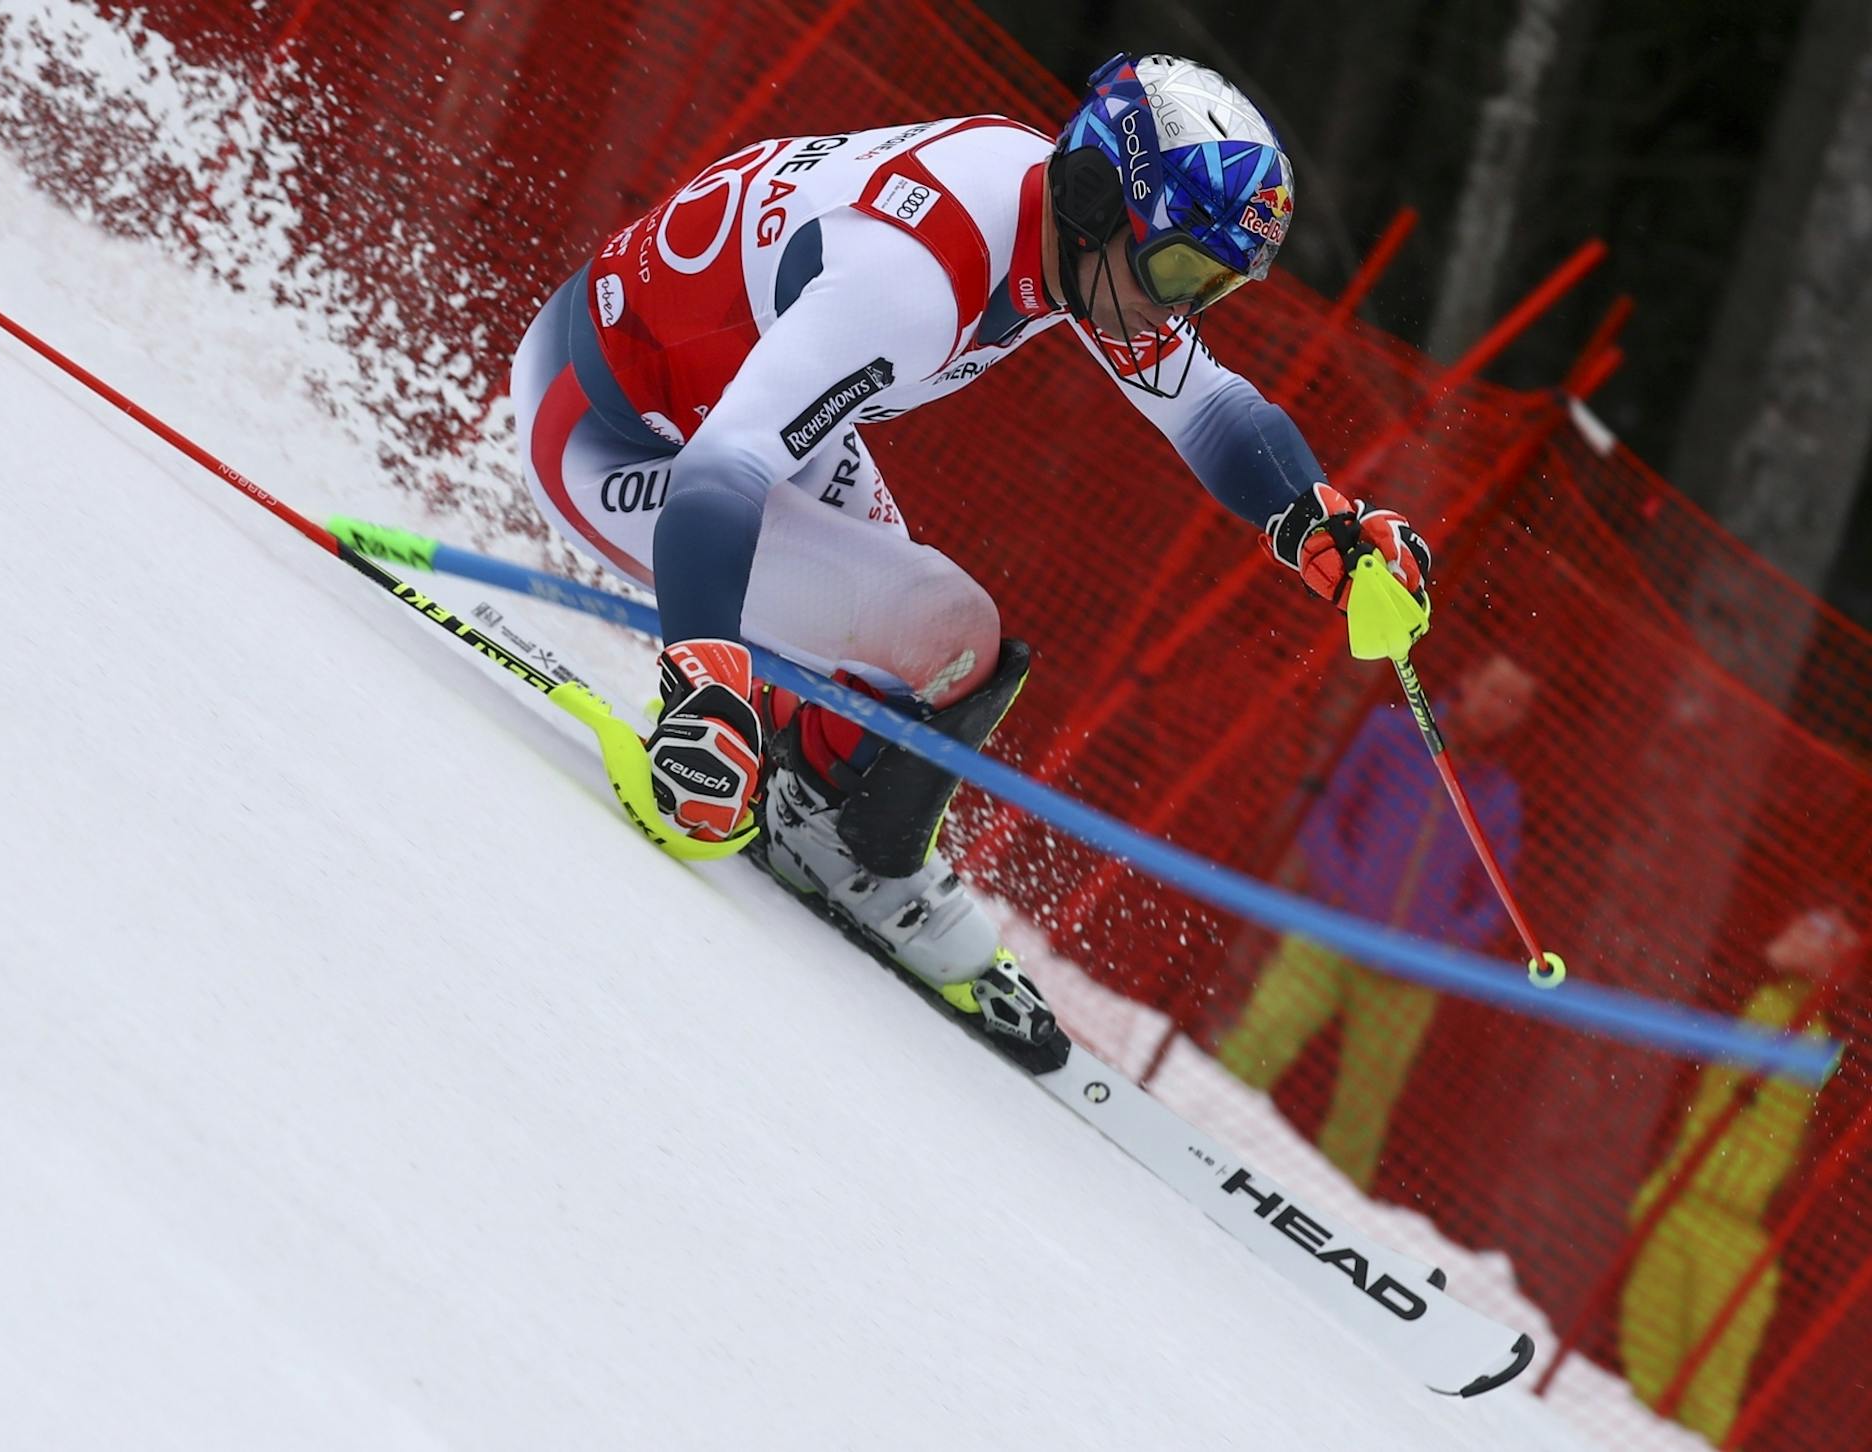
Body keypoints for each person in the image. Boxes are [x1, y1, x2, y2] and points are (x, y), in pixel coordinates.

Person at [508, 54, 1432, 1067]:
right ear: (1093, 196)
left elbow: (1207, 403)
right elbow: (720, 472)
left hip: (741, 418)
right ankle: (826, 826)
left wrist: (1322, 525)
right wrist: (702, 681)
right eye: (1176, 274)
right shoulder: (919, 278)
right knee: (950, 634)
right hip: (621, 439)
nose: (1176, 312)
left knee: (930, 653)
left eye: (1209, 287)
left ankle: (806, 793)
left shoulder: (1070, 232)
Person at [1216, 653, 1536, 1189]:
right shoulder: (1390, 734)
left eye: (1517, 704)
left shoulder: (1499, 797)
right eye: (1497, 690)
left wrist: (1444, 947)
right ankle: (1197, 1119)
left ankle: (1329, 1208)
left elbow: (1495, 898)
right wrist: (1338, 890)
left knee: (1364, 1109)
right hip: (1329, 933)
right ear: (1467, 678)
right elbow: (1323, 808)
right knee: (1262, 1036)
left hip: (1408, 977)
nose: (1501, 709)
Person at [1618, 906, 1861, 1442]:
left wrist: (1830, 984)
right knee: (1645, 1373)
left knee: (1708, 1400)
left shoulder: (1833, 1036)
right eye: (1804, 919)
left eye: (1825, 932)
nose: (1802, 932)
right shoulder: (1741, 992)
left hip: (1739, 1235)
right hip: (1676, 1199)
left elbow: (1837, 1070)